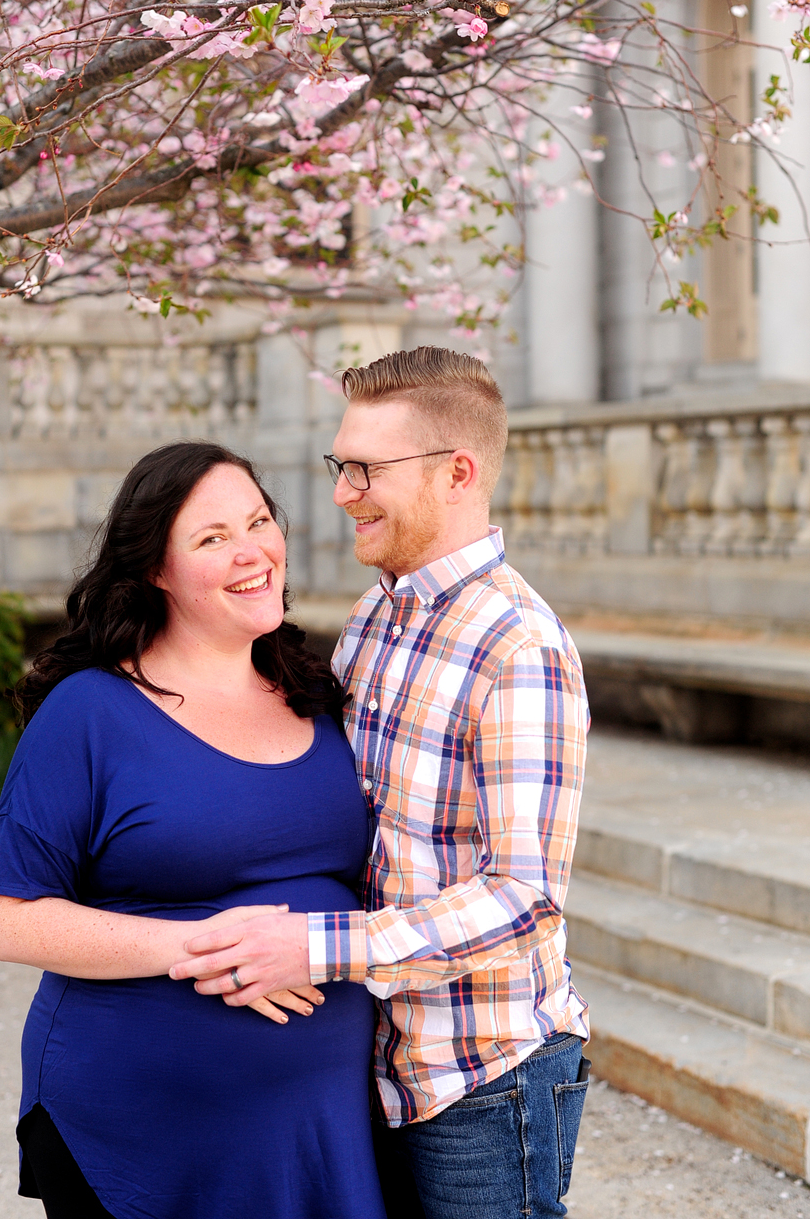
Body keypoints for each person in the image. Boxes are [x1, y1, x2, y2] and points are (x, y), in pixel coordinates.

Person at [173, 347, 591, 1219]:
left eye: (366, 470)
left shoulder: (521, 648)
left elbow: (526, 898)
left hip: (483, 1080)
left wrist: (316, 948)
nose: (341, 492)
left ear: (457, 473)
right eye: (341, 465)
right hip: (369, 1061)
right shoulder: (374, 617)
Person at [0, 442, 387, 1219]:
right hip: (139, 1127)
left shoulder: (317, 694)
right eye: (211, 538)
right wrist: (208, 949)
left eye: (259, 521)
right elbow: (11, 921)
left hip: (314, 1130)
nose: (252, 552)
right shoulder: (90, 712)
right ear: (155, 571)